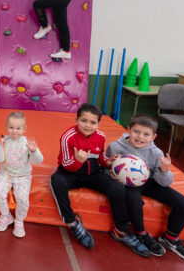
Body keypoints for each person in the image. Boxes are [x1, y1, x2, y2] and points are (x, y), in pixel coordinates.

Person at [50, 103, 149, 257]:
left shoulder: (100, 136)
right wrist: (78, 160)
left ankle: (121, 231)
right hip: (70, 172)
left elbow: (100, 156)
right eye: (84, 121)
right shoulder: (67, 137)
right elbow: (66, 164)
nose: (88, 125)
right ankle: (72, 222)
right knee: (56, 181)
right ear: (76, 120)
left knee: (117, 189)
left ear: (98, 123)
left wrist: (108, 162)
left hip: (93, 173)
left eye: (93, 122)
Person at [106, 114, 184, 263]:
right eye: (136, 131)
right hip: (129, 184)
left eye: (146, 134)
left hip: (150, 181)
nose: (140, 137)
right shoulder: (115, 146)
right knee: (134, 201)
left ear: (153, 137)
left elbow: (164, 183)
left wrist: (164, 170)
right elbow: (106, 167)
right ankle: (141, 233)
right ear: (128, 130)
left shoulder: (156, 153)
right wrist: (112, 174)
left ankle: (170, 238)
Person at [0, 111, 43, 238]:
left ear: (24, 129)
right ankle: (6, 215)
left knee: (22, 198)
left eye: (18, 128)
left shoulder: (27, 143)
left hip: (23, 175)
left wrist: (34, 151)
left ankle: (19, 220)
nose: (14, 131)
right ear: (6, 127)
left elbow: (39, 160)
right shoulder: (4, 141)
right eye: (11, 127)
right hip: (6, 173)